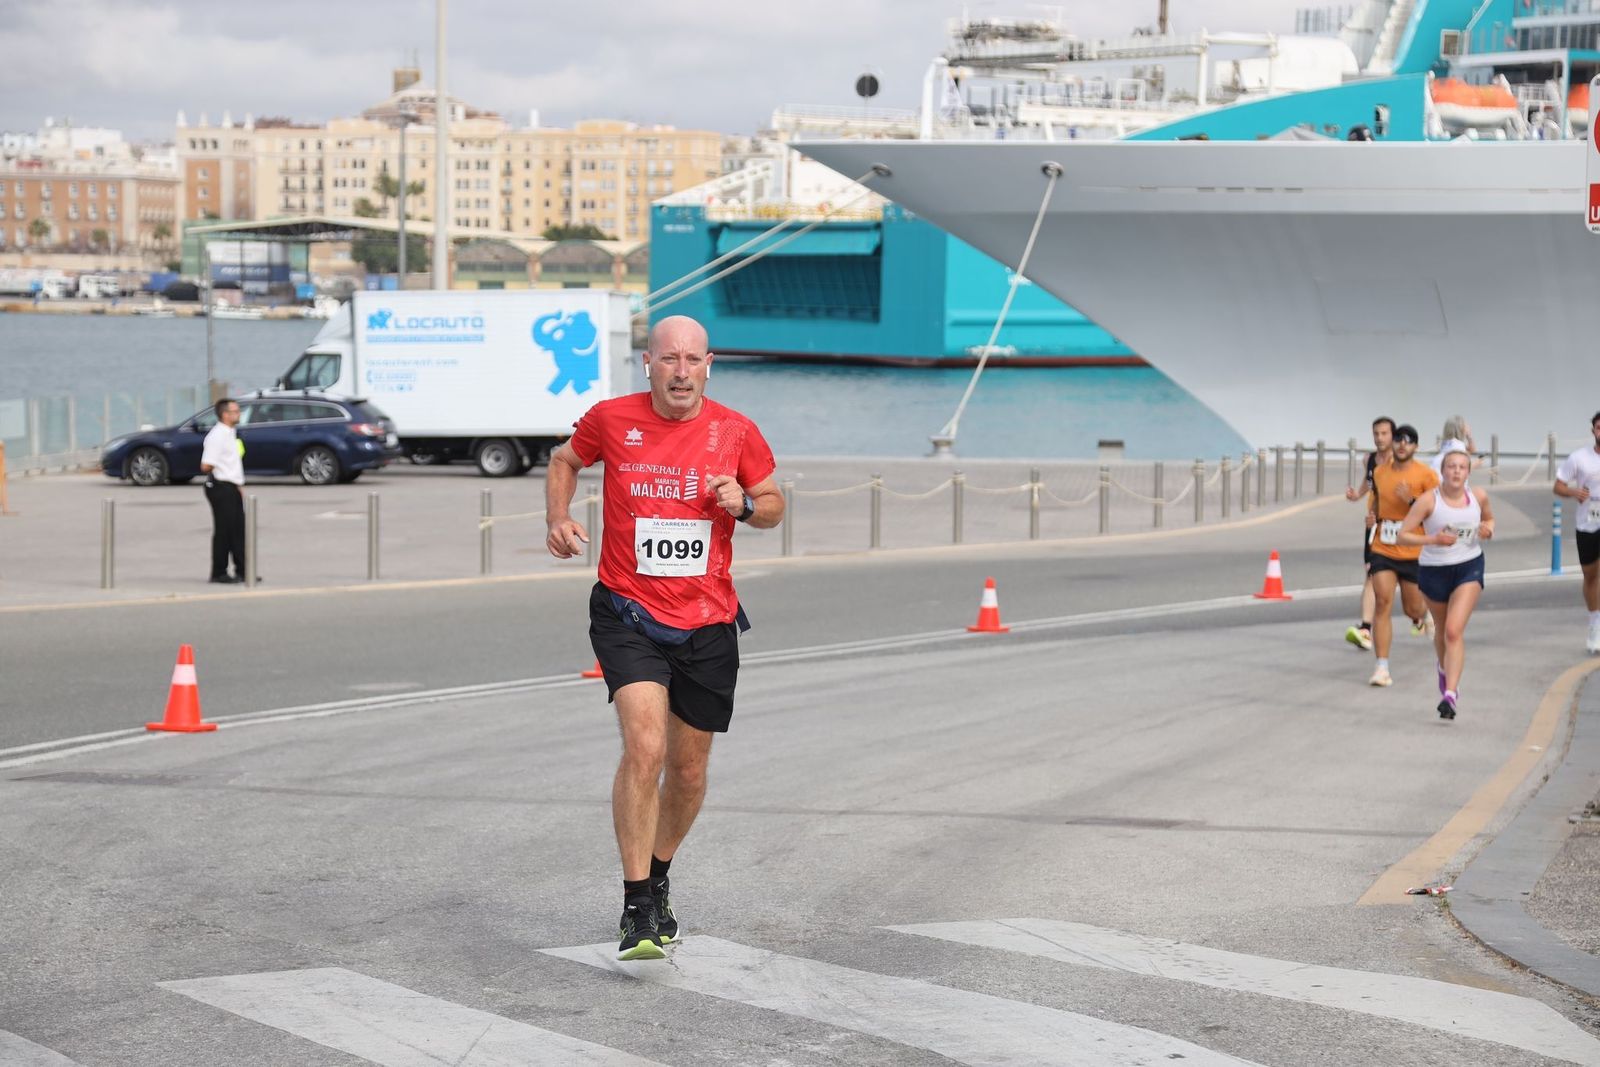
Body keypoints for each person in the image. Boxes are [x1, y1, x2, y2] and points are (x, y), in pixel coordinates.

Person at [545, 315, 784, 961]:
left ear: (710, 365)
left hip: (707, 619)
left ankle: (658, 874)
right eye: (669, 358)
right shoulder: (610, 418)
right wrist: (559, 516)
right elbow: (564, 458)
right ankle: (635, 905)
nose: (681, 370)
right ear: (647, 363)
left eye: (693, 359)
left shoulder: (736, 431)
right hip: (627, 612)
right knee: (644, 747)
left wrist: (742, 503)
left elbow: (772, 503)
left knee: (688, 769)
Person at [1399, 446, 1494, 719]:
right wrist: (1433, 539)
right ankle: (1444, 669)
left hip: (1469, 567)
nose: (1456, 471)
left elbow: (1488, 518)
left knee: (1454, 630)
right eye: (1451, 466)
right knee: (1441, 630)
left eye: (1462, 467)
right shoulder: (1429, 501)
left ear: (1468, 472)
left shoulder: (1477, 496)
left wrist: (1489, 529)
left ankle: (1450, 695)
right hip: (1434, 569)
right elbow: (1403, 535)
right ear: (1442, 471)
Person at [1365, 424, 1439, 687]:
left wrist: (1411, 500)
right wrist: (1371, 516)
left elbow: (1436, 512)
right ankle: (1382, 667)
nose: (1401, 445)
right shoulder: (1380, 472)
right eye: (1398, 440)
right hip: (1384, 546)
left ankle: (1424, 615)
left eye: (1408, 441)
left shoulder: (1426, 476)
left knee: (1413, 608)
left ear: (1416, 446)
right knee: (1383, 601)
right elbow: (1375, 501)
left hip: (1414, 549)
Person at [1344, 416, 1395, 650]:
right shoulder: (1370, 459)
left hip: (1400, 526)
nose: (1379, 438)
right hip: (1374, 524)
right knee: (1371, 574)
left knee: (1409, 579)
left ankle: (1421, 616)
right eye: (1376, 433)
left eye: (1384, 433)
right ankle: (1365, 629)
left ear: (1393, 436)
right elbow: (1369, 481)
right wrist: (1357, 495)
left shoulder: (1401, 461)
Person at [1553, 411, 1600, 654]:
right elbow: (1558, 485)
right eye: (1599, 427)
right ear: (1593, 430)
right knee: (1591, 576)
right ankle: (1594, 623)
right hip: (1588, 524)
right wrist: (1573, 493)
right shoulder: (1579, 458)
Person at [200, 397, 247, 584]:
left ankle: (243, 570)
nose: (239, 414)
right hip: (220, 486)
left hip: (232, 486)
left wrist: (237, 485)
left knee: (238, 530)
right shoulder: (217, 435)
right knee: (224, 531)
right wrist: (223, 477)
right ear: (225, 414)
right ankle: (218, 571)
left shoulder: (230, 433)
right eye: (235, 411)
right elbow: (206, 465)